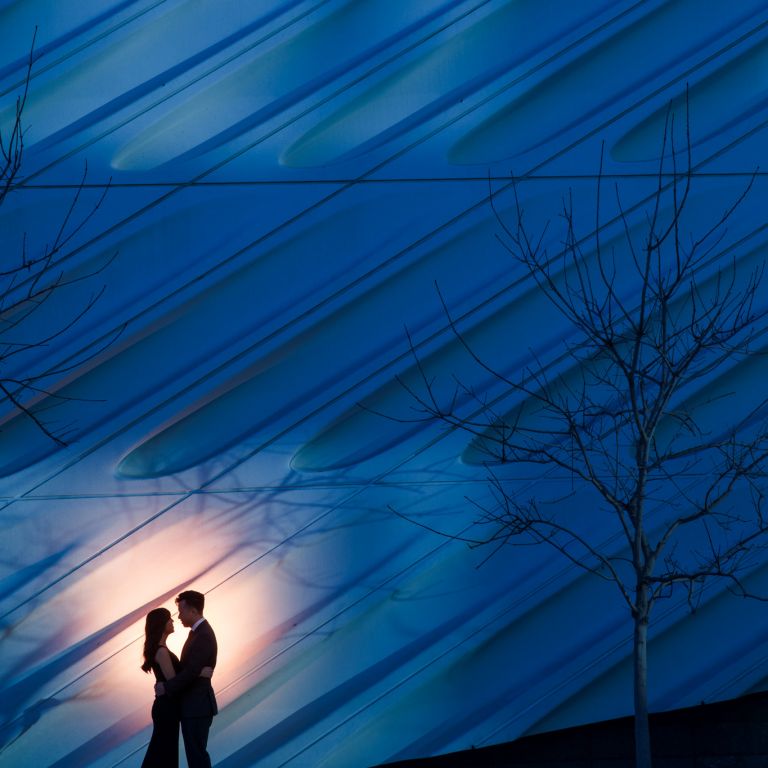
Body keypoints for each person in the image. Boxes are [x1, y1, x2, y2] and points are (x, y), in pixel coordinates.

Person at [141, 607, 212, 767]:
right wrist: (201, 673)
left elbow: (174, 679)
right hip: (167, 708)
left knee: (162, 750)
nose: (173, 621)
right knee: (163, 752)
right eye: (169, 619)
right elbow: (175, 681)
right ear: (161, 624)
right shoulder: (162, 652)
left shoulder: (161, 650)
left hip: (166, 707)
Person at [155, 590, 218, 768]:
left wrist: (166, 687)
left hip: (197, 707)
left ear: (193, 611)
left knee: (197, 758)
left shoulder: (203, 635)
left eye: (181, 611)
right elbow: (192, 670)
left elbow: (190, 672)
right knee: (195, 756)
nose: (179, 616)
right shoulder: (197, 633)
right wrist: (198, 672)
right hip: (194, 706)